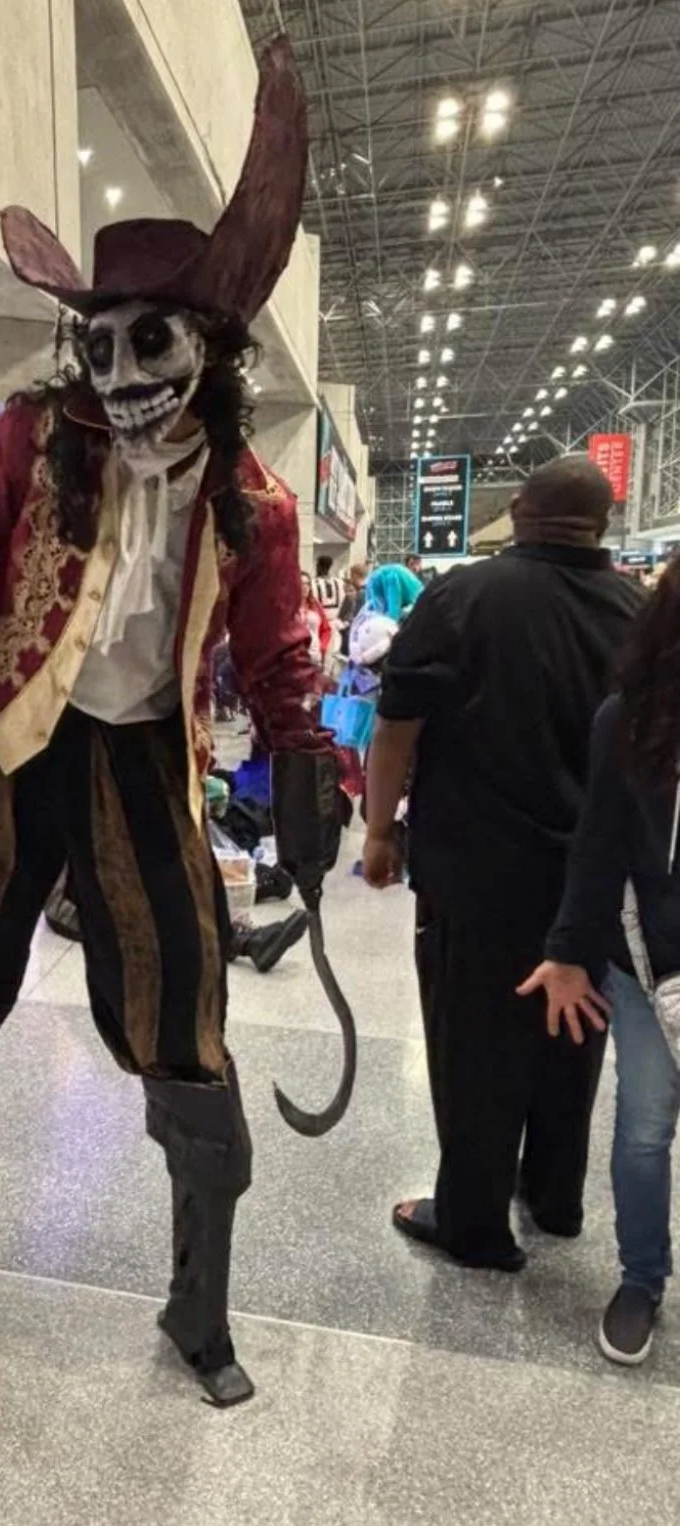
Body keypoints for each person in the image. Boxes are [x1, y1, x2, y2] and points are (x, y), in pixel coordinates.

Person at [0, 39, 343, 1407]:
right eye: (98, 342)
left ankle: (199, 1311)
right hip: (2, 751)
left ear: (210, 346)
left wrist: (307, 773)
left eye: (149, 340)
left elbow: (276, 656)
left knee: (187, 1021)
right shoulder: (31, 439)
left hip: (140, 762)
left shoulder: (254, 501)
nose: (118, 372)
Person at [363, 456, 643, 1271]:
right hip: (594, 881)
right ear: (602, 523)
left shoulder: (463, 595)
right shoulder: (640, 610)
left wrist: (378, 832)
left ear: (519, 509)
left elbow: (397, 723)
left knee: (475, 1046)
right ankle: (555, 1198)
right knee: (575, 1033)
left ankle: (474, 1223)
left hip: (477, 872)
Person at [519, 558, 680, 1363]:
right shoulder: (632, 721)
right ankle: (642, 1278)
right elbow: (598, 845)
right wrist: (567, 952)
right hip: (652, 967)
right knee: (644, 1132)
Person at [300, 571, 333, 667]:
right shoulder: (289, 605)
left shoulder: (315, 604)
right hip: (295, 657)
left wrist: (322, 648)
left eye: (307, 584)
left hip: (314, 656)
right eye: (301, 583)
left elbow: (326, 629)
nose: (305, 587)